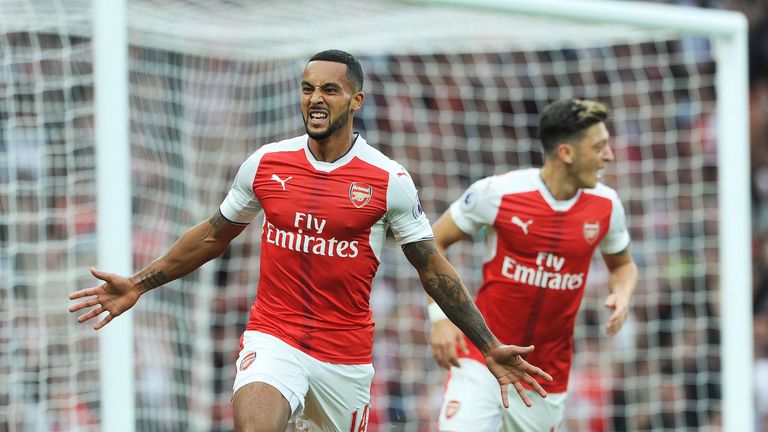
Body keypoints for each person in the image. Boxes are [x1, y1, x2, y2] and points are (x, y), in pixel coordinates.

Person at [68, 49, 552, 432]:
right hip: (273, 336)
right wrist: (139, 282)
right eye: (306, 89)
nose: (314, 98)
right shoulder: (267, 163)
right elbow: (214, 235)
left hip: (345, 358)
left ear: (355, 101)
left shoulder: (388, 180)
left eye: (329, 90)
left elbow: (432, 269)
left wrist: (486, 345)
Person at [427, 98, 638, 431]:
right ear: (567, 153)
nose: (609, 156)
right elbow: (430, 242)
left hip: (545, 376)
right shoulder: (497, 193)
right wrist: (439, 316)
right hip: (482, 355)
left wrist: (623, 295)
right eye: (599, 147)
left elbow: (623, 266)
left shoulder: (606, 206)